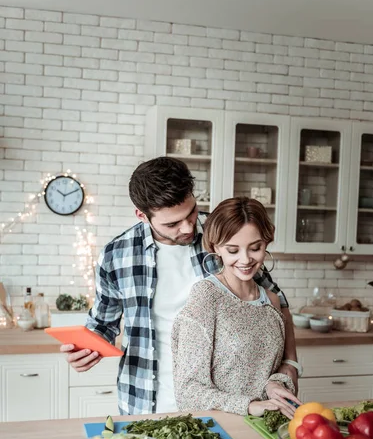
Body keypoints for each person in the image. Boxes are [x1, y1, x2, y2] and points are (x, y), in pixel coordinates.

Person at [61, 157, 301, 415]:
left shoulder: (221, 232)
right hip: (144, 397)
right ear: (142, 215)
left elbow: (275, 301)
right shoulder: (116, 255)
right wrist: (85, 349)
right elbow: (103, 324)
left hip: (220, 401)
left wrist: (290, 363)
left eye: (191, 213)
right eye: (172, 224)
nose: (188, 227)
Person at [172, 197, 301, 418]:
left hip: (268, 425)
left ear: (266, 243)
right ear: (216, 248)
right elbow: (188, 391)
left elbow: (281, 368)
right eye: (233, 250)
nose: (245, 259)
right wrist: (249, 406)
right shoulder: (206, 297)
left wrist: (275, 385)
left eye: (255, 248)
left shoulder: (272, 301)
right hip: (223, 428)